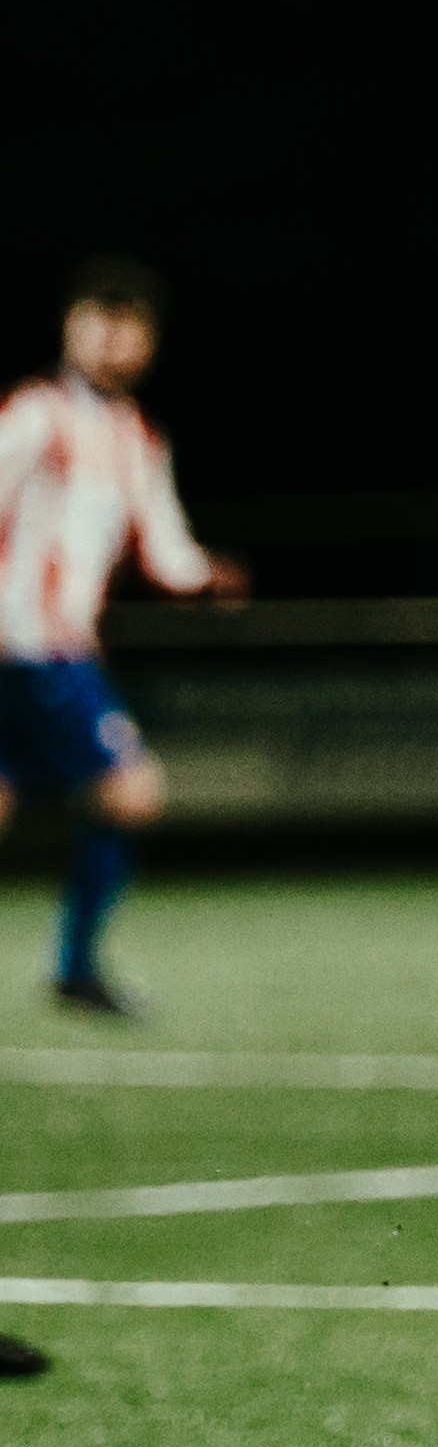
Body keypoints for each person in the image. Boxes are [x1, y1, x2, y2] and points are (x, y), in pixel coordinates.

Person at [0, 258, 247, 1020]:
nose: (113, 342)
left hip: (54, 647)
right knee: (131, 791)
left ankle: (76, 969)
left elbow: (163, 545)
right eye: (98, 324)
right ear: (70, 328)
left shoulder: (137, 436)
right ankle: (75, 969)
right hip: (29, 644)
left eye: (127, 327)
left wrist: (204, 576)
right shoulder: (37, 415)